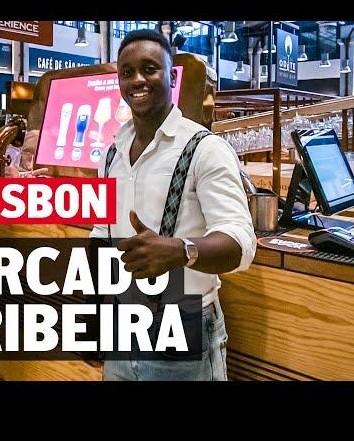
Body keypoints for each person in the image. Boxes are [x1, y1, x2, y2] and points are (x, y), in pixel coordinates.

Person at [90, 30, 256, 381]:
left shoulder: (205, 149)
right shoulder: (112, 154)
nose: (137, 80)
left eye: (149, 69)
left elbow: (241, 243)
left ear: (172, 75)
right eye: (127, 72)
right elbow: (101, 235)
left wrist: (182, 250)